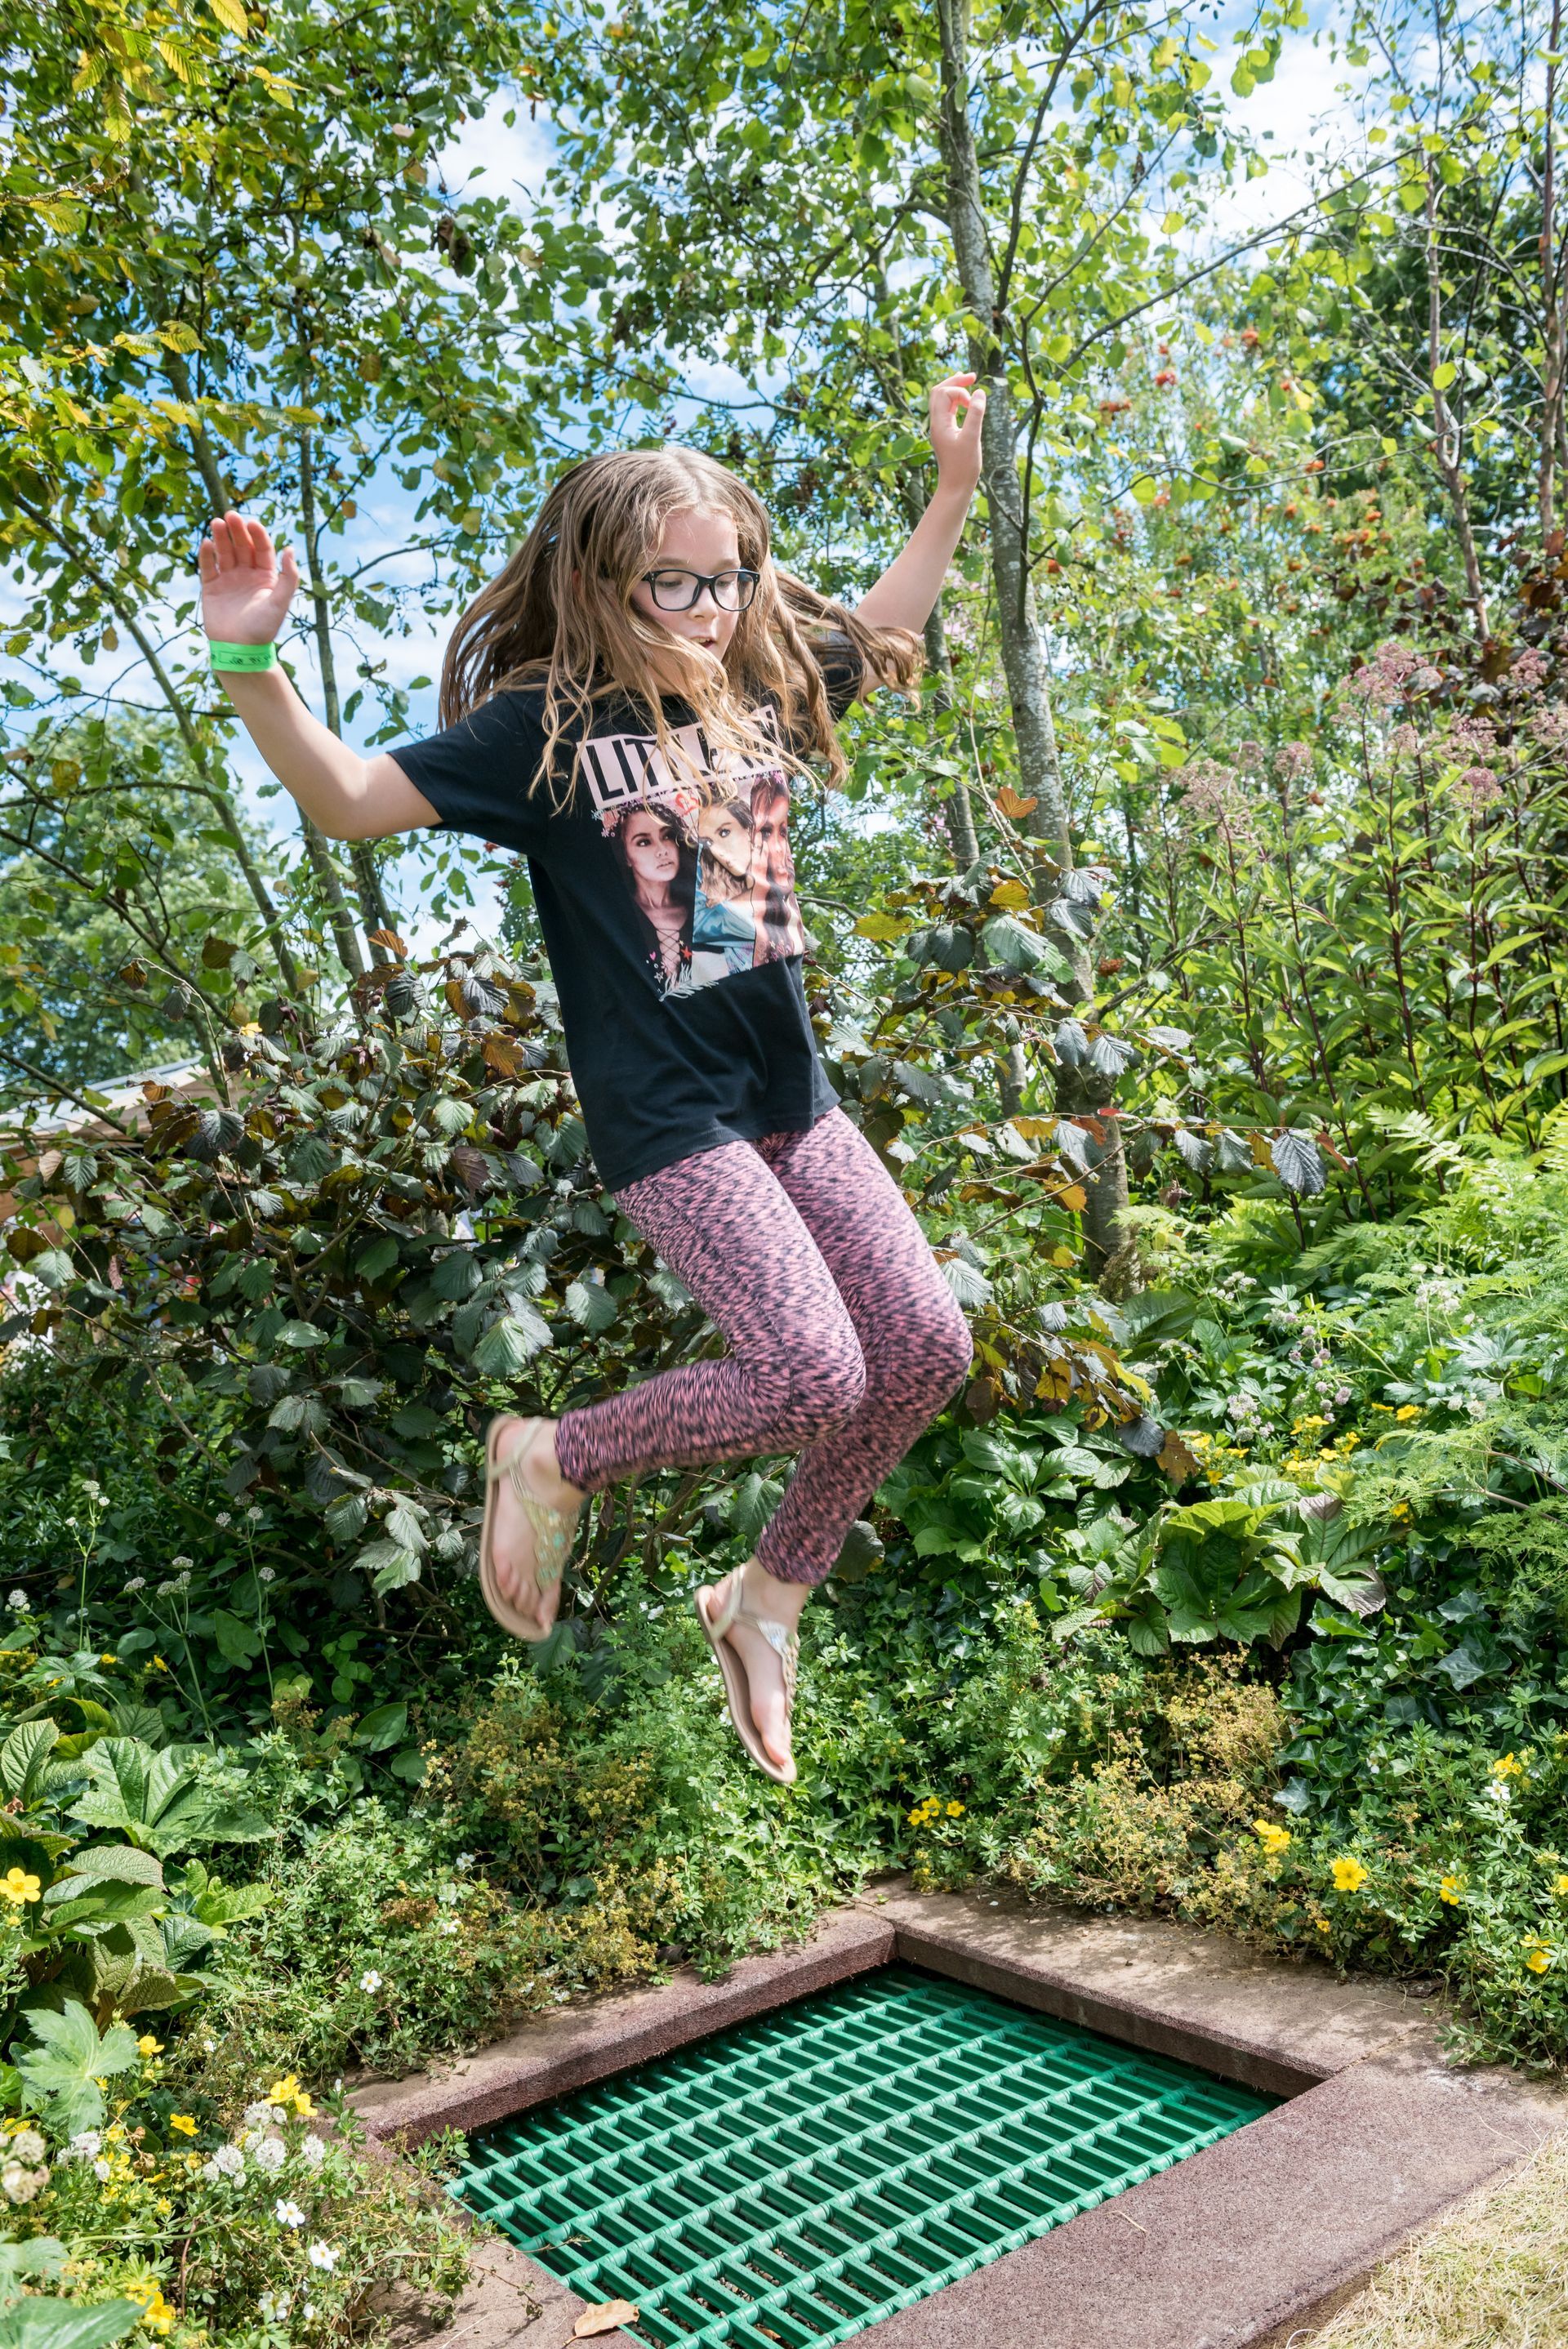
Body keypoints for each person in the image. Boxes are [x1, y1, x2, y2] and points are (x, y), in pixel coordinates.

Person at [196, 372, 987, 1785]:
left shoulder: (757, 683)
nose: (706, 609)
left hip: (791, 1099)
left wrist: (948, 492)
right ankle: (549, 1455)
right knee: (812, 1371)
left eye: (726, 579)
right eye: (668, 584)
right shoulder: (542, 730)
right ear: (601, 580)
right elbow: (349, 800)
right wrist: (251, 664)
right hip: (670, 1120)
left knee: (924, 1347)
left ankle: (763, 1603)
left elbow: (887, 627)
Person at [608, 803, 697, 992]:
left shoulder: (703, 908)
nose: (662, 850)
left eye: (667, 836)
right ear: (626, 856)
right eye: (643, 842)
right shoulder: (615, 917)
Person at [690, 797, 758, 981]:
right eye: (708, 842)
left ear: (749, 829)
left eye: (725, 832)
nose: (717, 850)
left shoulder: (777, 888)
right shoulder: (717, 893)